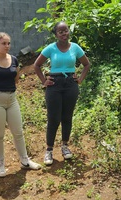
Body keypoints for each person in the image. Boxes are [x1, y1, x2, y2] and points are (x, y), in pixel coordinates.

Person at [0, 32, 41, 177]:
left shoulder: (14, 59)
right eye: (3, 43)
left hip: (11, 99)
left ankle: (25, 161)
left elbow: (16, 77)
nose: (7, 46)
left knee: (18, 131)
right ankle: (0, 163)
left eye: (8, 43)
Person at [34, 21, 90, 165]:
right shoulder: (51, 48)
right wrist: (44, 81)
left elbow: (86, 64)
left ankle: (65, 146)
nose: (64, 34)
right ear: (56, 35)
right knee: (53, 118)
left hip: (70, 84)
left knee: (67, 117)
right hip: (54, 84)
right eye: (60, 32)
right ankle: (49, 150)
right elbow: (37, 65)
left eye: (65, 31)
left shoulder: (75, 48)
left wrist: (80, 79)